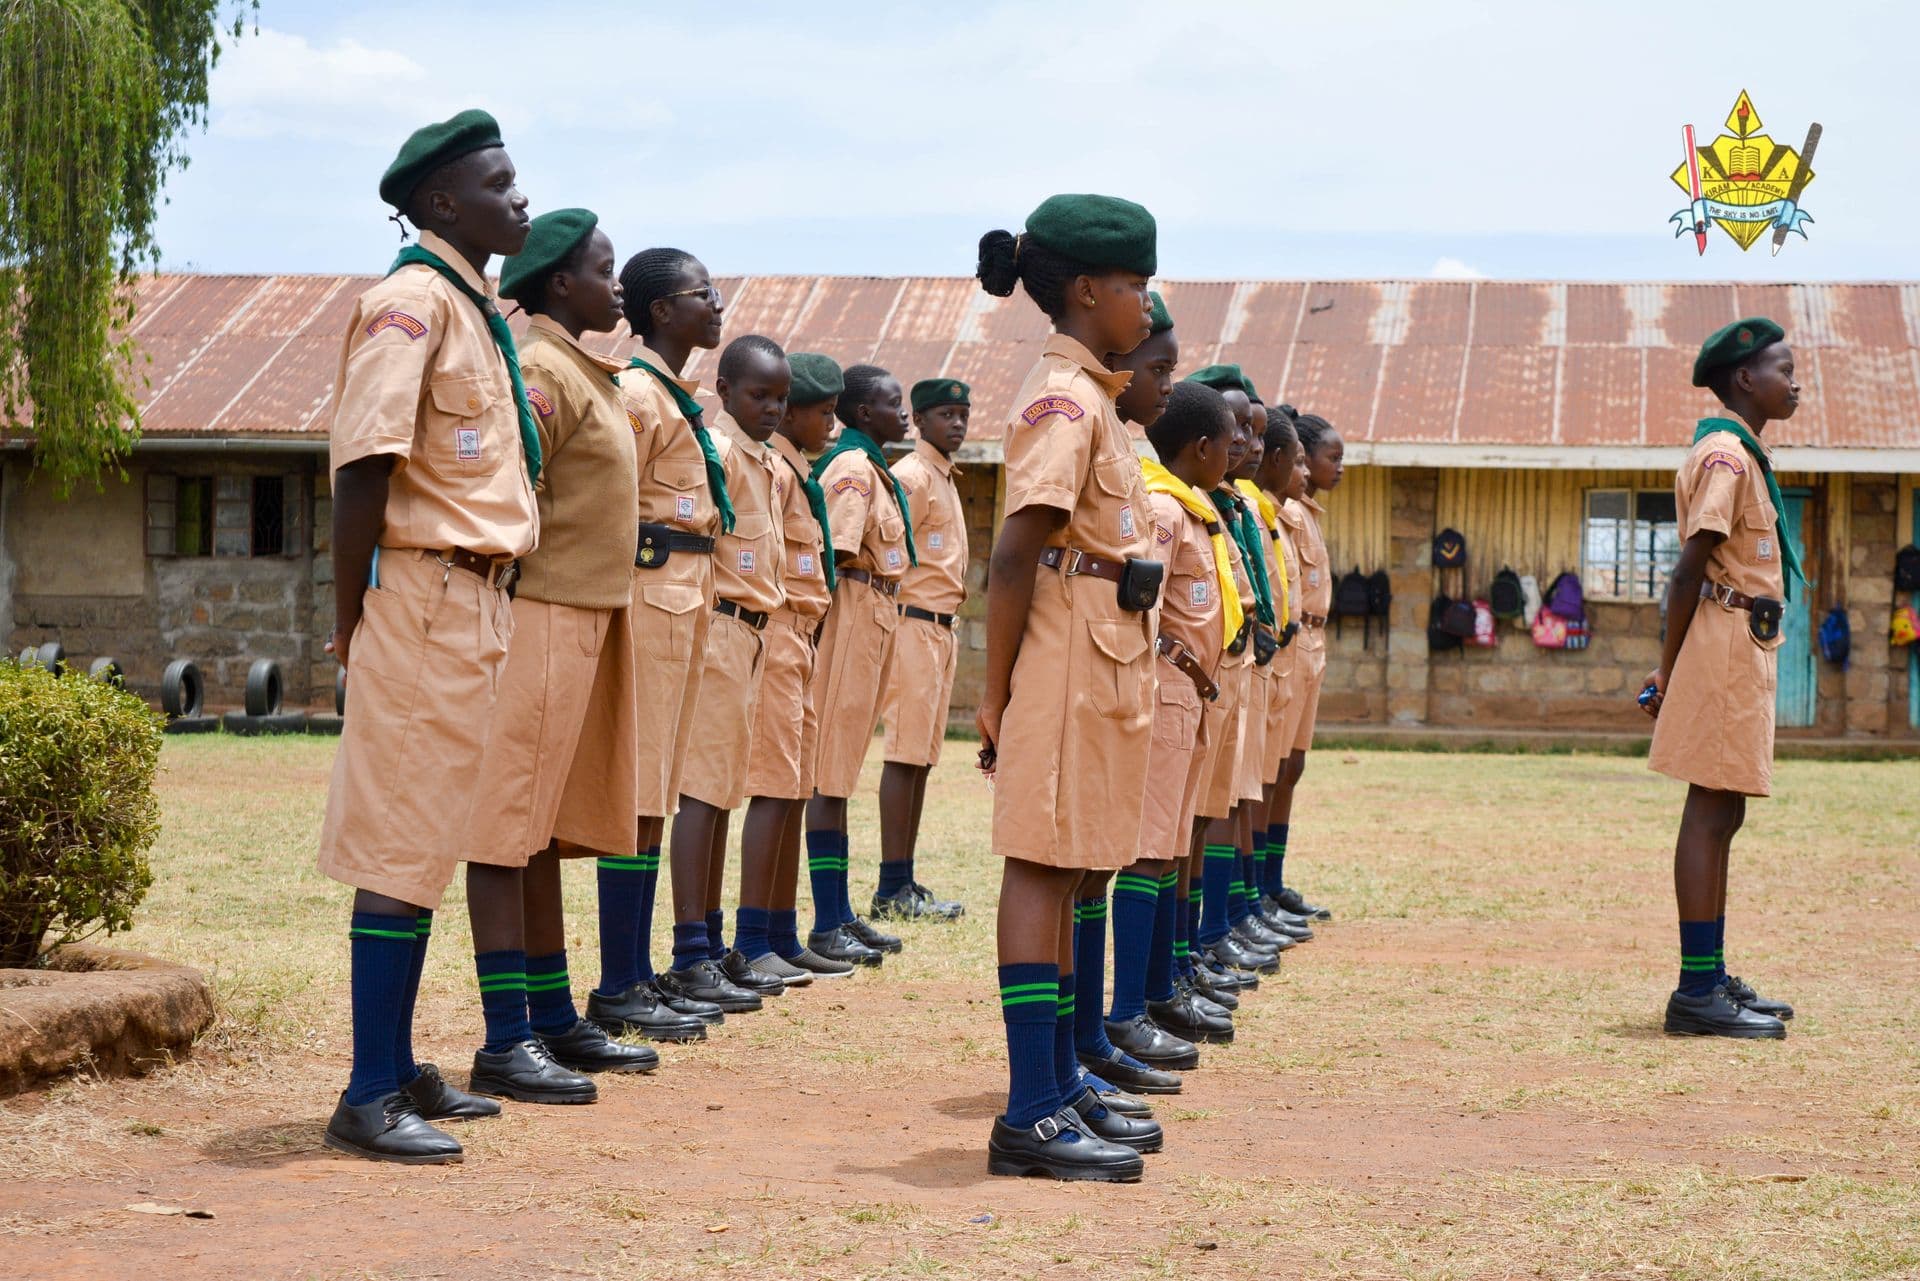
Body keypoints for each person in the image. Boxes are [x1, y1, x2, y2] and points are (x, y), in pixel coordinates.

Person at [318, 108, 537, 1163]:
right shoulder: (411, 303)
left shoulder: (471, 306)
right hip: (426, 591)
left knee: (431, 830)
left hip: (474, 596)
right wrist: (349, 614)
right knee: (403, 837)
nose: (521, 201)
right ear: (443, 202)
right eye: (501, 184)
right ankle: (366, 1092)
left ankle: (397, 1066)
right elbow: (365, 461)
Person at [976, 194, 1168, 1182]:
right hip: (1058, 656)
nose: (1145, 302)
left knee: (1075, 865)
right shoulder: (1061, 398)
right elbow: (1013, 555)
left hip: (1099, 655)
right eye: (1136, 284)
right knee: (1041, 869)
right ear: (1088, 290)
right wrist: (996, 688)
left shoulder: (1093, 396)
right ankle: (1030, 1110)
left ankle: (1059, 1079)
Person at [460, 208, 658, 1105]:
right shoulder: (541, 366)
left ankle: (548, 1011)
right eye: (605, 270)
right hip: (540, 614)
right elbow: (513, 481)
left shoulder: (583, 368)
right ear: (560, 283)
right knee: (508, 827)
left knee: (540, 829)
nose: (618, 288)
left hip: (584, 619)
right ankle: (506, 1033)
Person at [1642, 317, 1800, 1040]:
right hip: (1722, 643)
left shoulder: (1743, 453)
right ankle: (1695, 990)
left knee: (1725, 810)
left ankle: (1711, 972)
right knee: (1709, 809)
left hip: (1742, 640)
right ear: (1745, 378)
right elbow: (1686, 569)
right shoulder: (1726, 457)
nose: (1795, 382)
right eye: (1783, 368)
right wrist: (1667, 671)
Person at [589, 248, 734, 1034]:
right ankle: (618, 979)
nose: (718, 305)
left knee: (659, 794)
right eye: (701, 294)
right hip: (650, 595)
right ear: (657, 312)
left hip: (687, 596)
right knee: (639, 788)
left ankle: (639, 970)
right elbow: (614, 500)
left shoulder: (677, 397)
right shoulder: (639, 395)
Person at [1102, 377, 1245, 1099]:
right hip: (1166, 690)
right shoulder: (1163, 508)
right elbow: (1144, 608)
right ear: (1199, 447)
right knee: (1151, 846)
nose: (1234, 454)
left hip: (1194, 693)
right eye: (1226, 444)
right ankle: (1127, 1009)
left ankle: (1155, 991)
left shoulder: (1195, 507)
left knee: (1170, 845)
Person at [1072, 290, 1196, 1101]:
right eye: (1158, 367)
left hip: (1148, 674)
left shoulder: (1122, 443)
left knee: (1129, 854)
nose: (1166, 383)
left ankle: (1099, 1033)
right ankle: (1099, 1029)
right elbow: (1026, 556)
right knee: (1088, 866)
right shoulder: (1075, 417)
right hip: (1103, 668)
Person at [662, 335, 791, 1009]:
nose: (771, 407)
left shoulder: (762, 459)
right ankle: (688, 952)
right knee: (702, 793)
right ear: (725, 390)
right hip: (718, 626)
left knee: (724, 791)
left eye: (779, 398)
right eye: (758, 395)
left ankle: (710, 943)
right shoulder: (718, 451)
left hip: (751, 635)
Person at [735, 353, 868, 981]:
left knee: (793, 789)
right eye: (824, 413)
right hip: (779, 632)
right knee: (771, 787)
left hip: (804, 637)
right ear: (790, 414)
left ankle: (782, 932)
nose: (833, 426)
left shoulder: (797, 474)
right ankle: (751, 937)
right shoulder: (776, 475)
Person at [803, 365, 915, 962]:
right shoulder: (851, 467)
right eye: (893, 402)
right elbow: (836, 552)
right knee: (830, 769)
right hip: (850, 610)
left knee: (842, 770)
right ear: (862, 412)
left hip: (875, 611)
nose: (904, 413)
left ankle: (841, 911)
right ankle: (826, 920)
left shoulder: (874, 467)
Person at [872, 379, 972, 922]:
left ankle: (904, 879)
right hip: (911, 624)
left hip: (941, 630)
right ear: (920, 419)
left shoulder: (945, 477)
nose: (956, 424)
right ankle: (890, 886)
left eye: (963, 414)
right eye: (945, 415)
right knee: (905, 752)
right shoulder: (911, 476)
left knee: (925, 757)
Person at [1270, 412, 1344, 923]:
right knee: (1270, 771)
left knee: (1290, 767)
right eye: (1330, 458)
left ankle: (1268, 884)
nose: (1338, 467)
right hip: (1289, 643)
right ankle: (1255, 891)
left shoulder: (1306, 511)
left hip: (1312, 640)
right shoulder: (1282, 514)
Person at [1253, 409, 1315, 939]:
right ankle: (1239, 908)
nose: (1309, 474)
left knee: (1278, 772)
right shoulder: (1258, 510)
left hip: (1290, 648)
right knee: (1247, 785)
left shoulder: (1281, 512)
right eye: (1300, 462)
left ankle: (1258, 892)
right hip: (1255, 657)